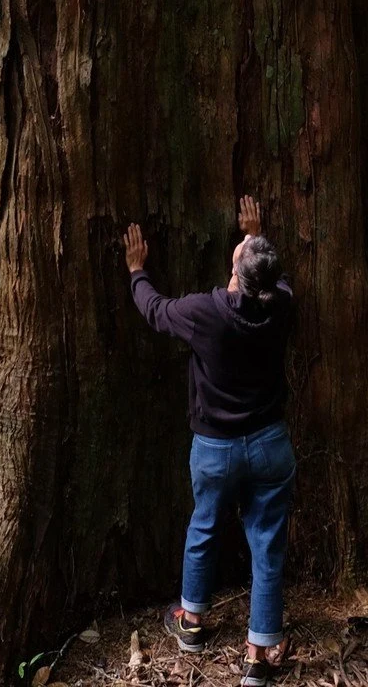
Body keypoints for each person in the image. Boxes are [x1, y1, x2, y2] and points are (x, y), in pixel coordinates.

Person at [124, 197, 295, 687]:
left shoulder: (205, 313)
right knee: (266, 544)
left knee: (204, 527)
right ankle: (258, 656)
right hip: (268, 445)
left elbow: (154, 309)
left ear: (236, 274)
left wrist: (137, 270)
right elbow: (273, 281)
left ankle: (192, 623)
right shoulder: (279, 305)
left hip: (216, 448)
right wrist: (258, 239)